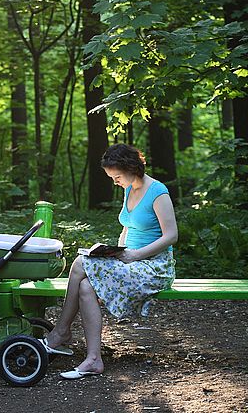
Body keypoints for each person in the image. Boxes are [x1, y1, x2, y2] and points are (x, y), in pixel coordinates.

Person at [43, 143, 178, 380]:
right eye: (111, 177)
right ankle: (93, 359)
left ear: (132, 167)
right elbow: (128, 225)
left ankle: (61, 332)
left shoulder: (158, 192)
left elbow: (171, 236)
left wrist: (135, 255)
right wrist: (115, 250)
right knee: (85, 286)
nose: (114, 182)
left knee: (79, 263)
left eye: (117, 176)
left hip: (154, 266)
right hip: (130, 259)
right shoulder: (128, 189)